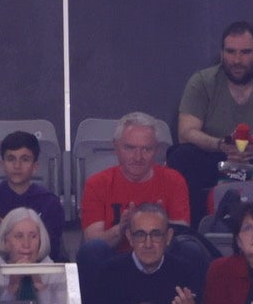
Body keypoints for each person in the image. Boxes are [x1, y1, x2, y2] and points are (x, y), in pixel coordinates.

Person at [170, 21, 253, 217]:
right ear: (222, 53)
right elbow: (186, 132)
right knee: (182, 156)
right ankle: (195, 232)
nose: (237, 60)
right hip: (216, 156)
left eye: (245, 52)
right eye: (231, 52)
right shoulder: (202, 81)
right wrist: (221, 145)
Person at [78, 112, 192, 280]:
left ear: (157, 149)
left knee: (190, 249)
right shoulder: (97, 183)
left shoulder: (174, 180)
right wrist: (123, 228)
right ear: (116, 147)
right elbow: (93, 240)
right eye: (130, 148)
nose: (138, 157)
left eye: (146, 149)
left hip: (161, 261)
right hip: (116, 263)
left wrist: (158, 223)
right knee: (92, 251)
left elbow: (182, 233)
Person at [88, 203, 206, 304]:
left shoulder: (185, 270)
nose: (148, 244)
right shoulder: (109, 272)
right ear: (130, 238)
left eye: (156, 234)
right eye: (140, 235)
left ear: (168, 237)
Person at [0, 129, 64, 262]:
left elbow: (51, 247)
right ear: (2, 164)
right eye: (11, 159)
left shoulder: (50, 203)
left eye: (25, 159)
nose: (17, 166)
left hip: (41, 273)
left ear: (35, 166)